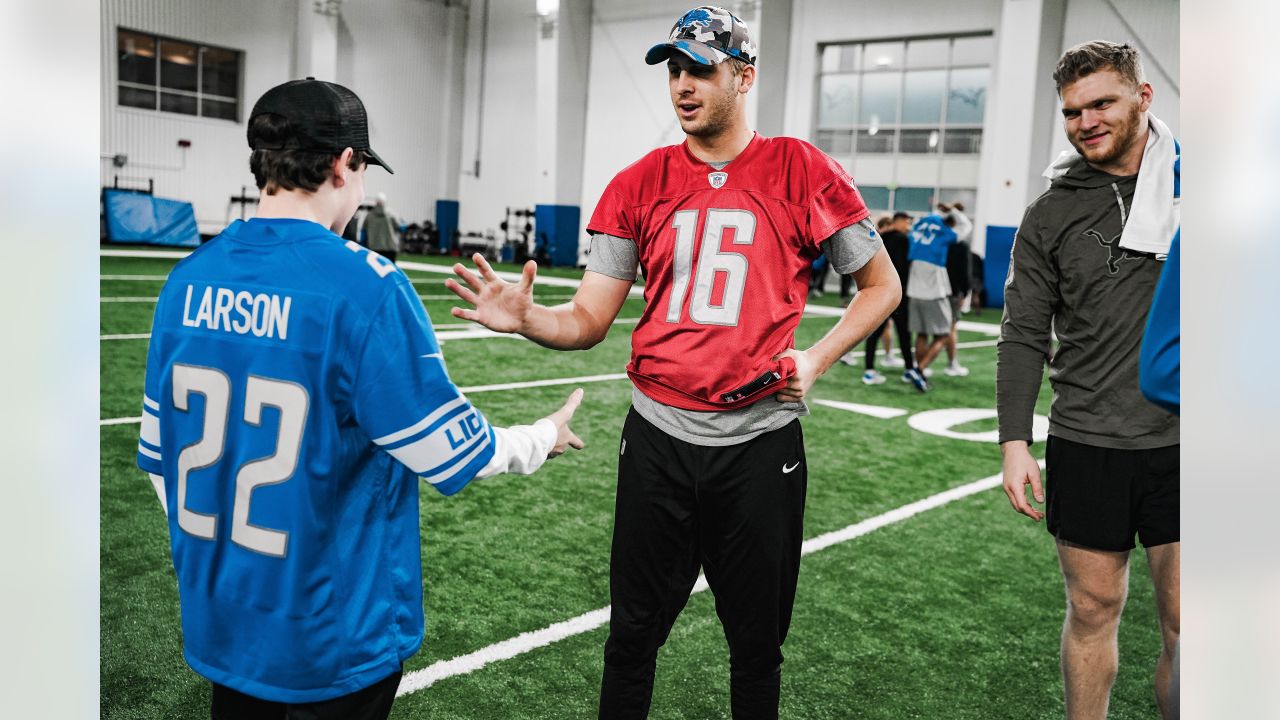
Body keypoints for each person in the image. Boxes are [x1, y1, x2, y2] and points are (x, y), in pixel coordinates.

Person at [446, 7, 900, 718]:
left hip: (758, 443)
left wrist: (814, 359)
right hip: (657, 440)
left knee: (755, 649)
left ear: (744, 77)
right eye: (675, 69)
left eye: (702, 69)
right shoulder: (637, 183)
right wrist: (529, 318)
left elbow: (883, 286)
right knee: (630, 638)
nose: (683, 84)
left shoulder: (801, 168)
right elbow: (590, 319)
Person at [134, 78, 585, 720]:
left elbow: (161, 462)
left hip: (223, 622)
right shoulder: (365, 286)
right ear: (345, 163)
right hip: (331, 635)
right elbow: (452, 451)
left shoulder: (185, 281)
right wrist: (542, 436)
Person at [997, 41, 1180, 720]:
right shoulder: (1050, 211)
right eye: (1073, 110)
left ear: (1143, 97)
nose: (1086, 121)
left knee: (1190, 627)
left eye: (1102, 102)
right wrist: (1014, 441)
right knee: (1092, 609)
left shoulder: (1203, 187)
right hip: (1086, 439)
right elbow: (1021, 333)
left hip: (1189, 443)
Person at [847, 211, 926, 390]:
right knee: (903, 333)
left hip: (879, 291)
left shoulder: (879, 239)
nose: (909, 226)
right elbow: (903, 267)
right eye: (907, 222)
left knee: (875, 333)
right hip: (897, 293)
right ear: (898, 221)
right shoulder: (902, 240)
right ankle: (909, 369)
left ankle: (869, 370)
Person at [906, 204, 970, 379]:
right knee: (943, 334)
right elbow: (965, 226)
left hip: (914, 291)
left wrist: (941, 211)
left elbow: (930, 220)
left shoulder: (916, 233)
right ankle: (919, 370)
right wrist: (953, 210)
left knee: (921, 334)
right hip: (935, 293)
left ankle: (919, 368)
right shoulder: (946, 236)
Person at [941, 201, 974, 377]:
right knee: (951, 328)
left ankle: (919, 365)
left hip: (936, 288)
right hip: (953, 290)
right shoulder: (959, 245)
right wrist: (965, 292)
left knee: (929, 329)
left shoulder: (938, 242)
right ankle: (952, 364)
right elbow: (964, 272)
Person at [365, 192, 401, 264]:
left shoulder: (369, 215)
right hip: (390, 247)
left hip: (374, 247)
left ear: (376, 202)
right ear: (385, 201)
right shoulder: (391, 214)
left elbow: (364, 230)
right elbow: (399, 227)